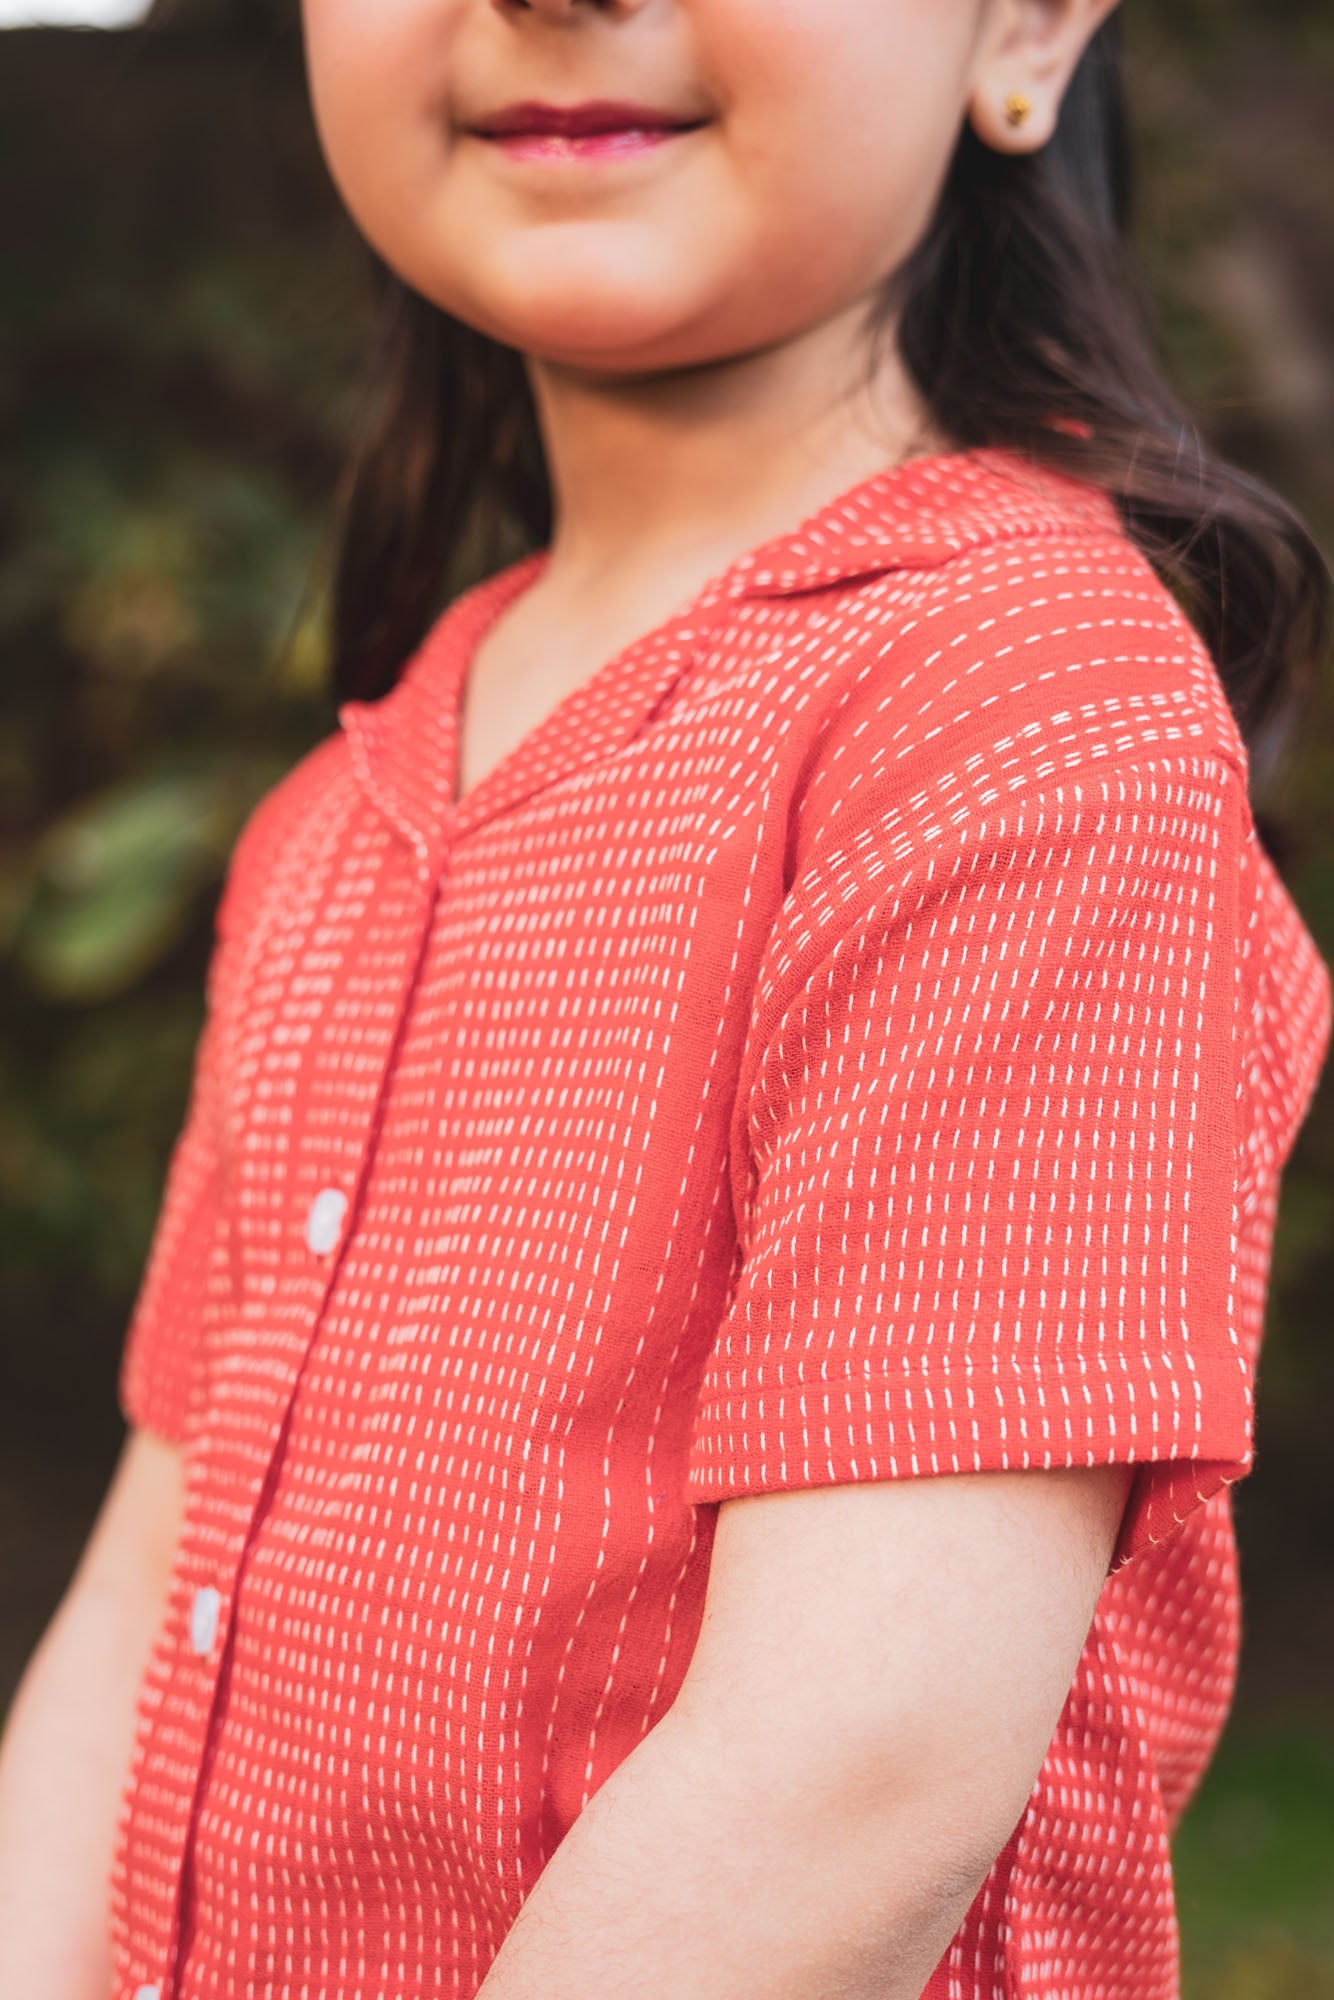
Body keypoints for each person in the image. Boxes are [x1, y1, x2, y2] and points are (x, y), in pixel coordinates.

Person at [1, 1, 1330, 1996]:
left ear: (1028, 22)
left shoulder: (1014, 715)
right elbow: (145, 1587)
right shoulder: (331, 816)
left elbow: (848, 1777)